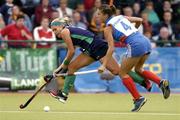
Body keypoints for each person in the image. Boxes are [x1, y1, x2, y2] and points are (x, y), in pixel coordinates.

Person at [47, 17, 151, 112]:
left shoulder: (65, 31)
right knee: (72, 67)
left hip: (97, 47)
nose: (54, 33)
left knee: (118, 71)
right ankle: (63, 94)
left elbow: (71, 52)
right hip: (89, 49)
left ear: (61, 26)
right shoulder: (68, 30)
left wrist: (61, 67)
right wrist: (63, 68)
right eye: (52, 31)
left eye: (55, 29)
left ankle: (143, 84)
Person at [97, 4, 170, 112]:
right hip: (145, 41)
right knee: (138, 69)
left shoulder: (108, 28)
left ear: (105, 15)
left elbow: (111, 48)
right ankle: (161, 82)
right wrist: (131, 33)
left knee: (122, 73)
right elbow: (139, 20)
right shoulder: (121, 17)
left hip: (135, 44)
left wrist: (103, 65)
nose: (97, 16)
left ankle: (138, 99)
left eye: (99, 14)